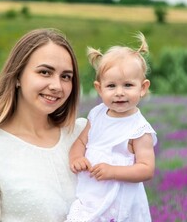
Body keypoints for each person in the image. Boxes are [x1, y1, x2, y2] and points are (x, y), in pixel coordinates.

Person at [0, 28, 87, 221]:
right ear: (17, 76)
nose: (57, 86)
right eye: (45, 72)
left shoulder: (82, 134)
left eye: (66, 76)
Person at [66, 32, 157, 222]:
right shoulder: (97, 114)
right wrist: (76, 157)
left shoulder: (139, 129)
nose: (119, 93)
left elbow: (146, 169)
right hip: (93, 193)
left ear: (143, 87)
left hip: (121, 199)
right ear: (99, 89)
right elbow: (82, 141)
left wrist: (113, 171)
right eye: (111, 86)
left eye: (128, 85)